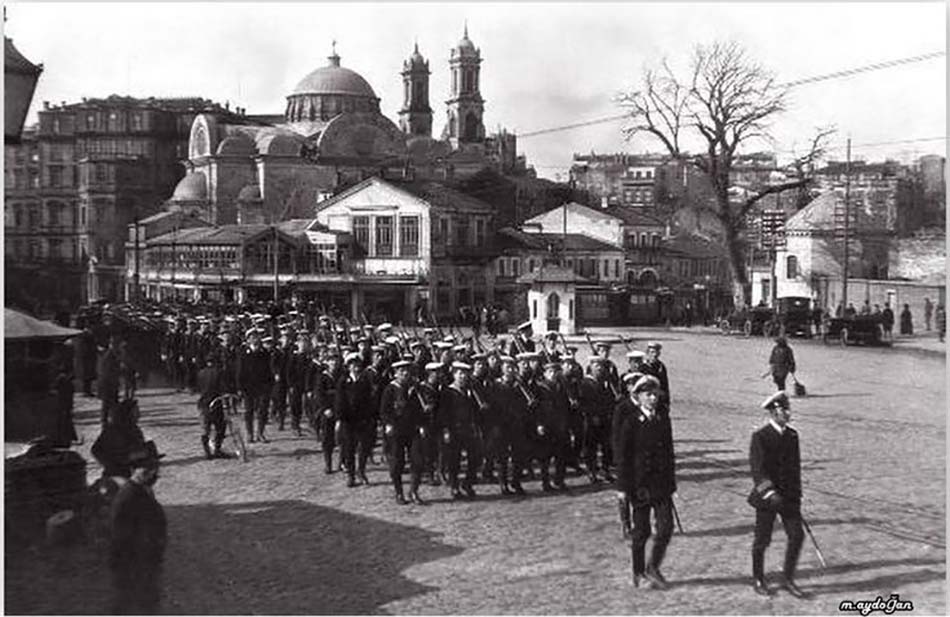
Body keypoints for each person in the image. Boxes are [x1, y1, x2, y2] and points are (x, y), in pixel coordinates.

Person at [614, 374, 676, 589]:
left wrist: (671, 484)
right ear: (638, 396)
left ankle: (653, 566)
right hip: (639, 486)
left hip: (661, 485)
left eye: (655, 394)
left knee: (666, 527)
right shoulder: (631, 421)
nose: (653, 398)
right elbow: (623, 457)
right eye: (648, 394)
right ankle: (638, 571)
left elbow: (669, 453)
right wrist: (622, 488)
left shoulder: (662, 418)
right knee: (642, 532)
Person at [748, 391, 808, 599]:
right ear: (774, 412)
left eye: (788, 409)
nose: (789, 413)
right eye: (785, 410)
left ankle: (788, 578)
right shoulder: (761, 436)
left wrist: (796, 496)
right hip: (768, 498)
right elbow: (757, 470)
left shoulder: (792, 436)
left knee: (797, 535)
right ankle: (758, 578)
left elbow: (794, 469)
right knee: (762, 540)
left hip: (789, 497)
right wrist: (770, 492)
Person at [109, 440, 167, 614]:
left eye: (155, 466)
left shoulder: (142, 490)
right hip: (135, 564)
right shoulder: (128, 497)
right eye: (148, 468)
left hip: (145, 562)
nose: (154, 472)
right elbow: (120, 536)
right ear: (134, 470)